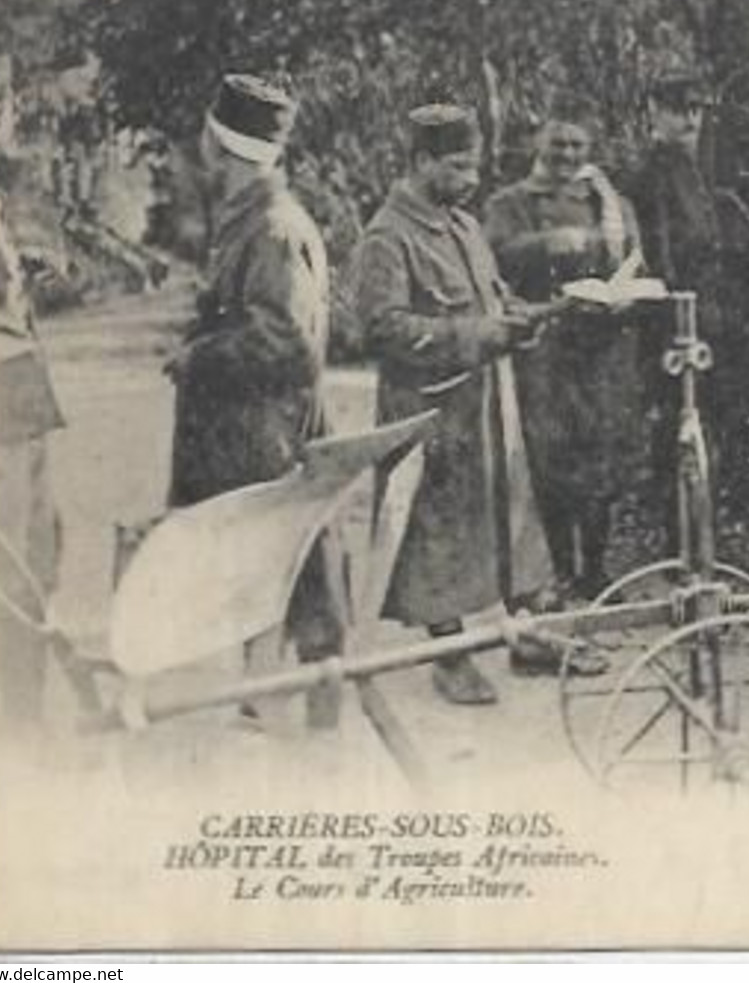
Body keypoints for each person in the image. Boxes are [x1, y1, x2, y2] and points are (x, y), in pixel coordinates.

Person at [354, 103, 564, 705]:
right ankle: (449, 655)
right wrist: (478, 336)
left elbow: (490, 295)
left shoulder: (464, 226)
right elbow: (382, 329)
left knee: (506, 517)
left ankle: (524, 636)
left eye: (474, 165)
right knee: (438, 532)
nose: (472, 178)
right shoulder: (387, 237)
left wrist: (521, 316)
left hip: (487, 403)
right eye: (457, 165)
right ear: (421, 161)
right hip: (431, 409)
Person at [166, 74, 347, 730]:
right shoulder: (250, 219)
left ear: (218, 143)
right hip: (247, 425)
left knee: (294, 565)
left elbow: (287, 343)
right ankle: (268, 695)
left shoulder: (272, 227)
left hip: (269, 428)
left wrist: (198, 357)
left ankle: (318, 715)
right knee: (267, 562)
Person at [484, 103, 645, 602]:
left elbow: (635, 257)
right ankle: (554, 568)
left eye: (577, 146)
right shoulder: (511, 201)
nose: (567, 155)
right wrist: (547, 243)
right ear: (539, 143)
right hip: (545, 348)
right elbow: (491, 257)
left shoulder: (609, 204)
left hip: (600, 348)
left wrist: (624, 291)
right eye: (558, 144)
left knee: (599, 457)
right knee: (549, 459)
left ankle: (594, 570)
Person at [630, 70, 749, 535]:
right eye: (677, 108)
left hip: (715, 317)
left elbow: (724, 239)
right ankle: (680, 540)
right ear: (654, 112)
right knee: (679, 429)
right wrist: (678, 318)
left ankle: (701, 532)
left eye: (696, 109)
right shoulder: (651, 175)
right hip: (679, 323)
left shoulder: (697, 169)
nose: (689, 118)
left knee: (709, 427)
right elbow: (660, 257)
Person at [0, 124, 65, 746]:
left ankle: (19, 723)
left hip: (15, 398)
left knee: (32, 564)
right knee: (5, 574)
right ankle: (6, 731)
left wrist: (18, 281)